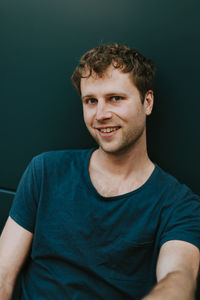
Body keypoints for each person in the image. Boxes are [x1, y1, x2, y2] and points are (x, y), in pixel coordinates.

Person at [0, 43, 199, 300]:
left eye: (115, 98)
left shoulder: (179, 205)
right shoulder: (45, 171)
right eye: (91, 101)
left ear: (147, 102)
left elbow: (179, 278)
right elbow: (3, 273)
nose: (101, 114)